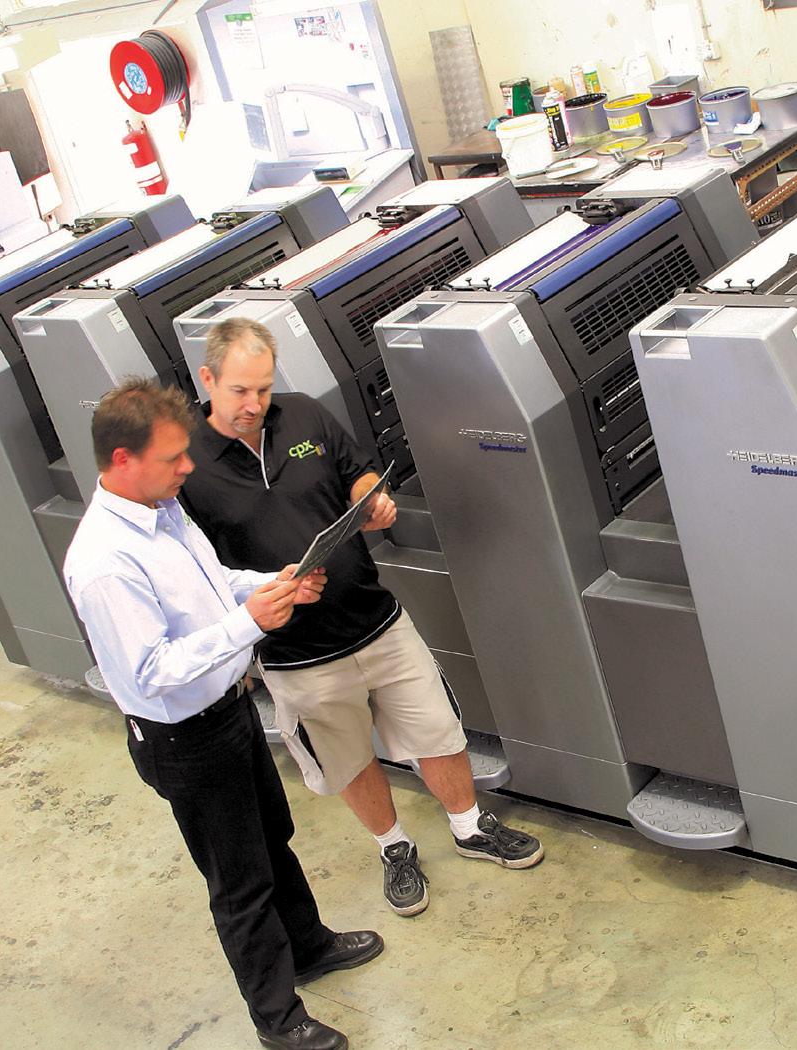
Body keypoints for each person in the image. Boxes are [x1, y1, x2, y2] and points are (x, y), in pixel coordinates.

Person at [179, 317, 543, 918]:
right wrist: (262, 594)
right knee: (348, 758)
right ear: (207, 379)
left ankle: (469, 825)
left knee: (438, 728)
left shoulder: (302, 414)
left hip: (375, 619)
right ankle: (394, 848)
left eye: (263, 388)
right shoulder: (185, 460)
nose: (254, 404)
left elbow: (357, 471)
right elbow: (190, 569)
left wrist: (371, 501)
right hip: (296, 653)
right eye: (240, 391)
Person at [62, 378, 380, 1050]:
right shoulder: (105, 564)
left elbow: (214, 585)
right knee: (239, 884)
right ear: (122, 459)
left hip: (229, 711)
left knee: (273, 838)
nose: (188, 466)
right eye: (173, 457)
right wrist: (250, 623)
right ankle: (277, 1019)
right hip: (186, 740)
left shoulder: (164, 510)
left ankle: (308, 946)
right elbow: (152, 671)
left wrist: (272, 585)